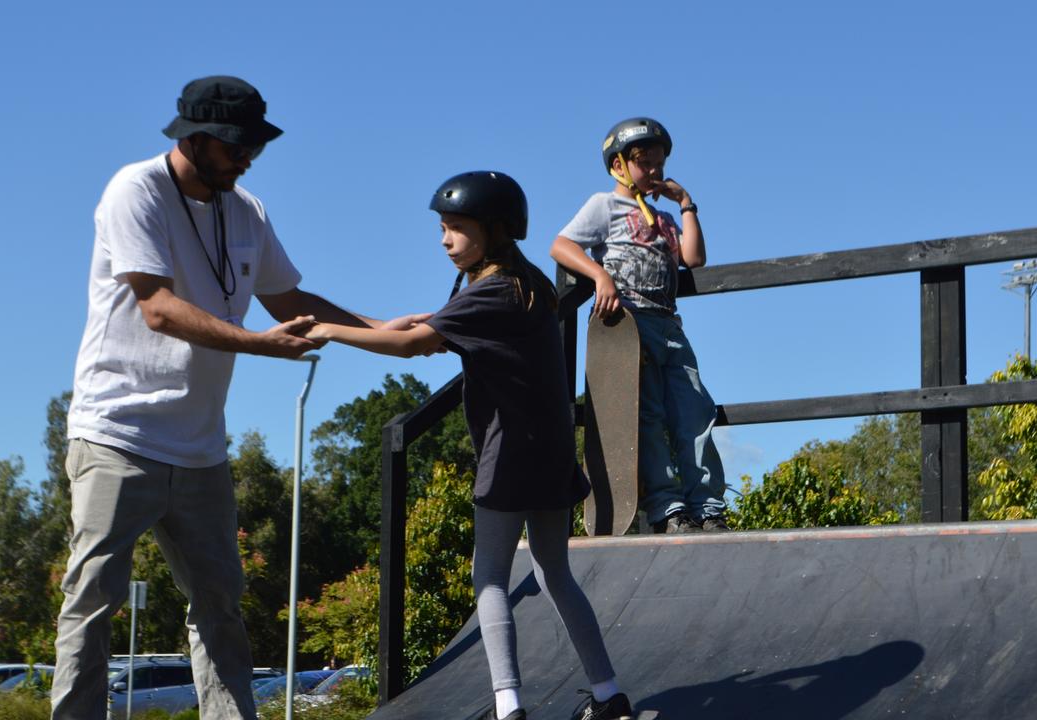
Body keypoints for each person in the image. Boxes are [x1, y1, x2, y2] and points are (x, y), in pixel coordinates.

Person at [53, 75, 423, 720]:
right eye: (234, 145)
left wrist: (382, 332)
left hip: (200, 448)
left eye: (254, 145)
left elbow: (289, 301)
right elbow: (158, 308)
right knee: (94, 598)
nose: (247, 157)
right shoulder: (134, 190)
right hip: (117, 434)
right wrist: (258, 344)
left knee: (219, 603)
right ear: (194, 139)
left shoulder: (245, 209)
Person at [304, 171, 635, 720]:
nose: (445, 239)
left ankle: (508, 707)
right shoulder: (528, 285)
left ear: (495, 230)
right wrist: (384, 324)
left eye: (456, 228)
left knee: (489, 579)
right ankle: (608, 694)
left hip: (509, 455)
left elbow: (413, 346)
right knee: (556, 572)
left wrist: (330, 331)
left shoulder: (490, 290)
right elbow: (424, 332)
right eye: (442, 228)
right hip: (552, 453)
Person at [550, 117, 728, 534]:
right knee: (646, 414)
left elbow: (694, 258)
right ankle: (667, 505)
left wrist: (686, 203)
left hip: (669, 325)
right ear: (619, 165)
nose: (655, 173)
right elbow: (561, 245)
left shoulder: (665, 218)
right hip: (629, 324)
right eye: (645, 163)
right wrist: (600, 276)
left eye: (660, 165)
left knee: (695, 411)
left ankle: (708, 504)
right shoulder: (604, 206)